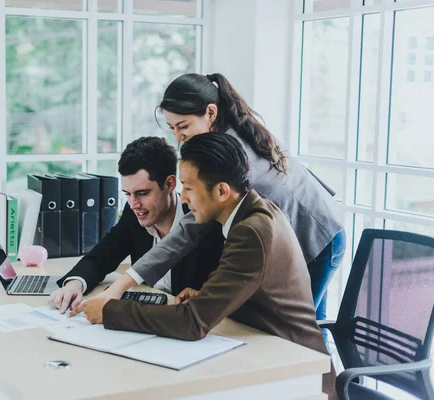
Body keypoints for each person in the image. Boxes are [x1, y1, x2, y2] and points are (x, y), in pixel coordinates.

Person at [72, 133, 334, 397]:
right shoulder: (253, 213)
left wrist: (111, 312)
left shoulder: (250, 231)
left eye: (188, 188)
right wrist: (206, 296)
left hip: (296, 370)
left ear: (221, 191)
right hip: (265, 351)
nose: (183, 198)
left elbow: (192, 323)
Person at [100, 72, 346, 327]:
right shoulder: (223, 138)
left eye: (183, 126)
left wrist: (125, 283)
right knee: (312, 329)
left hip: (318, 237)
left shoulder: (230, 159)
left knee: (302, 333)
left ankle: (324, 367)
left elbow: (188, 229)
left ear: (210, 113)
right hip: (311, 226)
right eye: (172, 128)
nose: (178, 137)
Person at [48, 136, 224, 313]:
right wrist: (74, 284)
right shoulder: (134, 214)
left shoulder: (204, 220)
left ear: (170, 184)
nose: (134, 204)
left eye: (143, 193)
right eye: (127, 194)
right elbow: (101, 257)